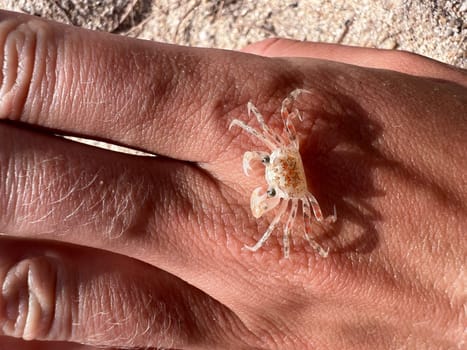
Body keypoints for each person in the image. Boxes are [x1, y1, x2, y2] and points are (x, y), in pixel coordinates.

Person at [0, 10, 465, 350]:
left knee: (283, 225)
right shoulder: (276, 149)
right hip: (290, 171)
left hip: (295, 182)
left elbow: (290, 220)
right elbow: (267, 122)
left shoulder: (290, 184)